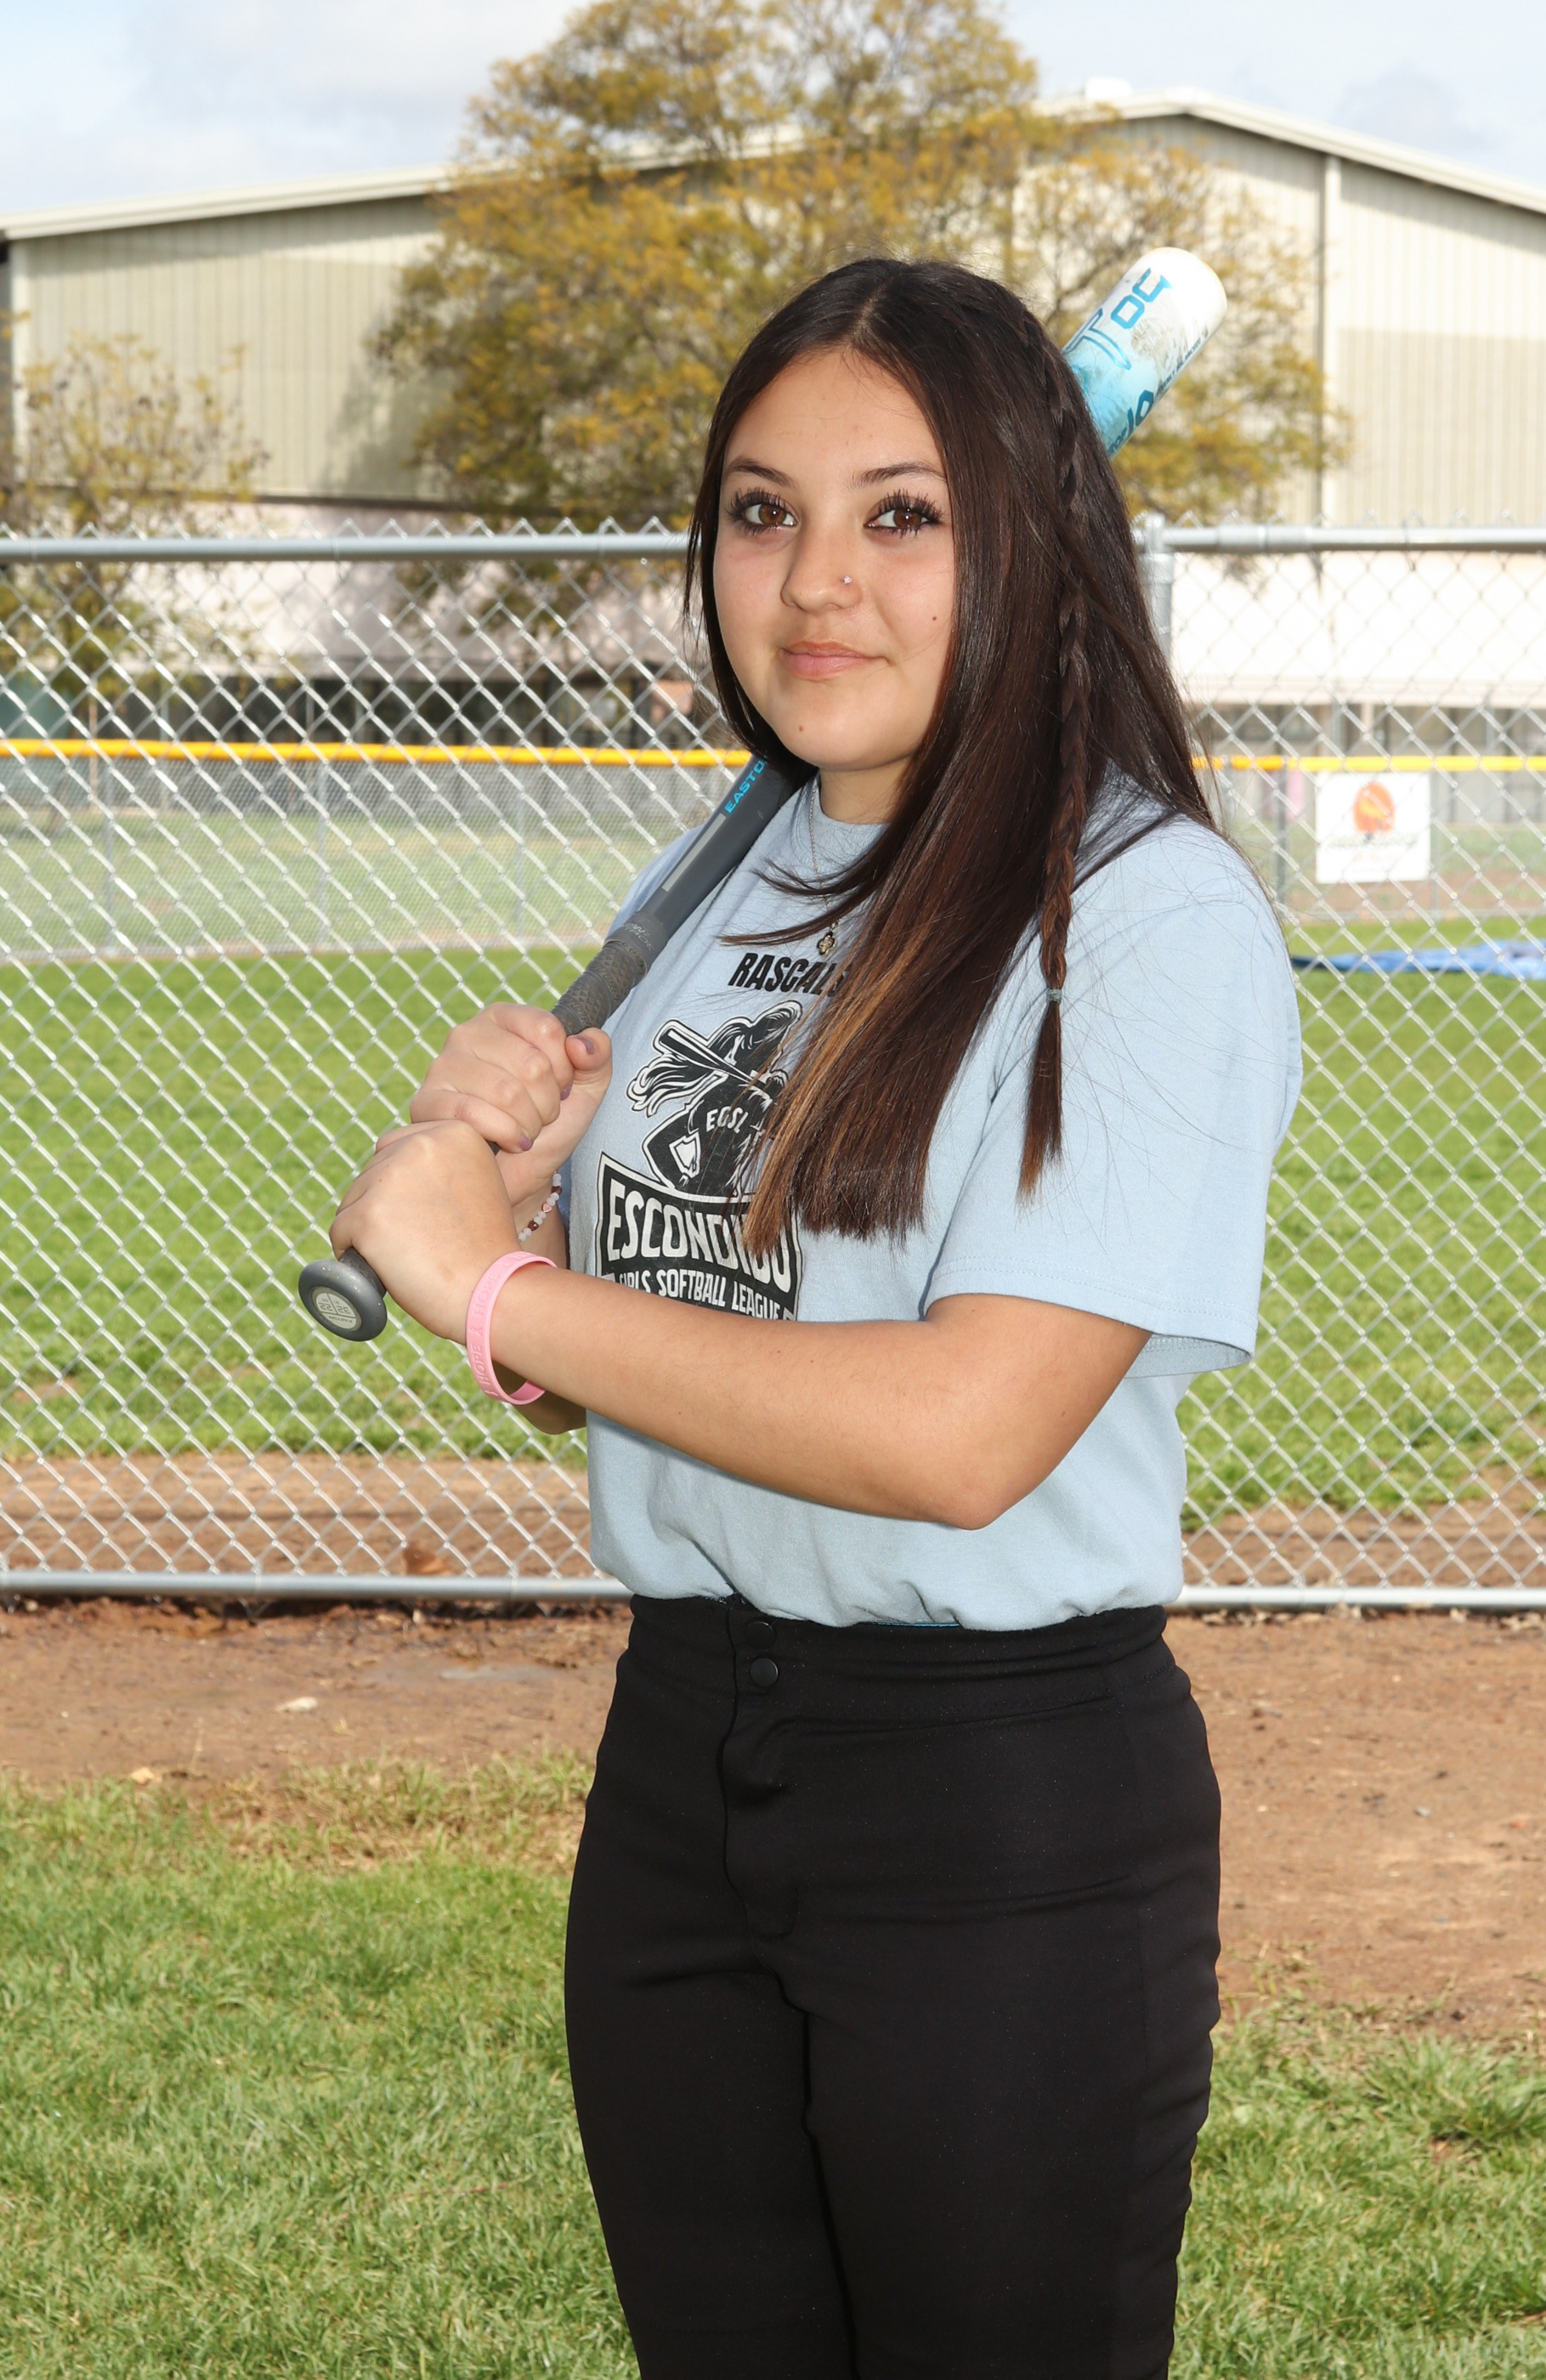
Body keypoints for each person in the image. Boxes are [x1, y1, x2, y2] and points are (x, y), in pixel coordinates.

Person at [331, 257, 1301, 2379]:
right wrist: (530, 1236)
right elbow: (674, 1369)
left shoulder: (1144, 916)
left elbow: (960, 1434)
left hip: (991, 1796)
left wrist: (490, 1282)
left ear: (1032, 539)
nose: (815, 582)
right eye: (761, 511)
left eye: (904, 514)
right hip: (682, 1755)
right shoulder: (728, 888)